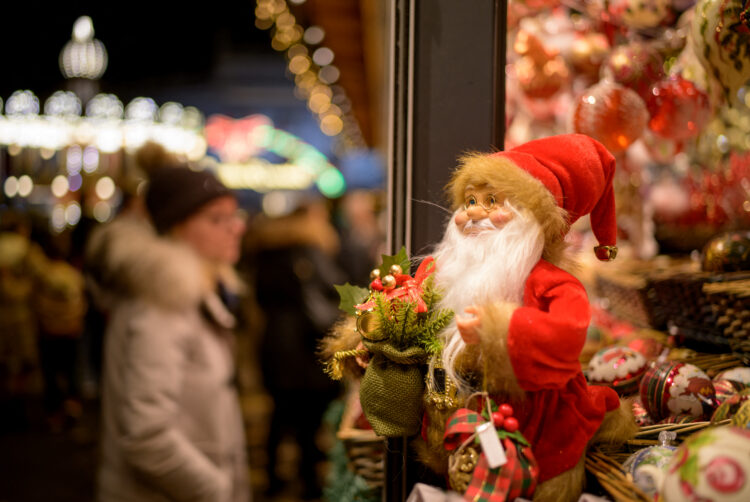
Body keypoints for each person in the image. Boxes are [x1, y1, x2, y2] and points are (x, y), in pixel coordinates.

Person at [418, 134, 637, 501]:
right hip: (459, 423)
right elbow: (405, 306)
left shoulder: (553, 284)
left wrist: (499, 331)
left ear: (532, 218)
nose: (473, 212)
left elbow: (566, 335)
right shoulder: (439, 272)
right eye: (469, 200)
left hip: (535, 424)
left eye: (492, 201)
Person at [91, 166, 251, 501]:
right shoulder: (161, 304)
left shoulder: (196, 292)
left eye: (234, 215)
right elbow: (146, 435)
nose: (236, 227)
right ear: (177, 226)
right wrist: (215, 489)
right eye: (217, 218)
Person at [244, 198, 343, 500]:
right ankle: (308, 482)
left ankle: (272, 478)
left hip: (274, 343)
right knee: (309, 418)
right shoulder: (308, 251)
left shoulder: (265, 252)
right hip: (303, 344)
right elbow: (334, 289)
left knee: (279, 412)